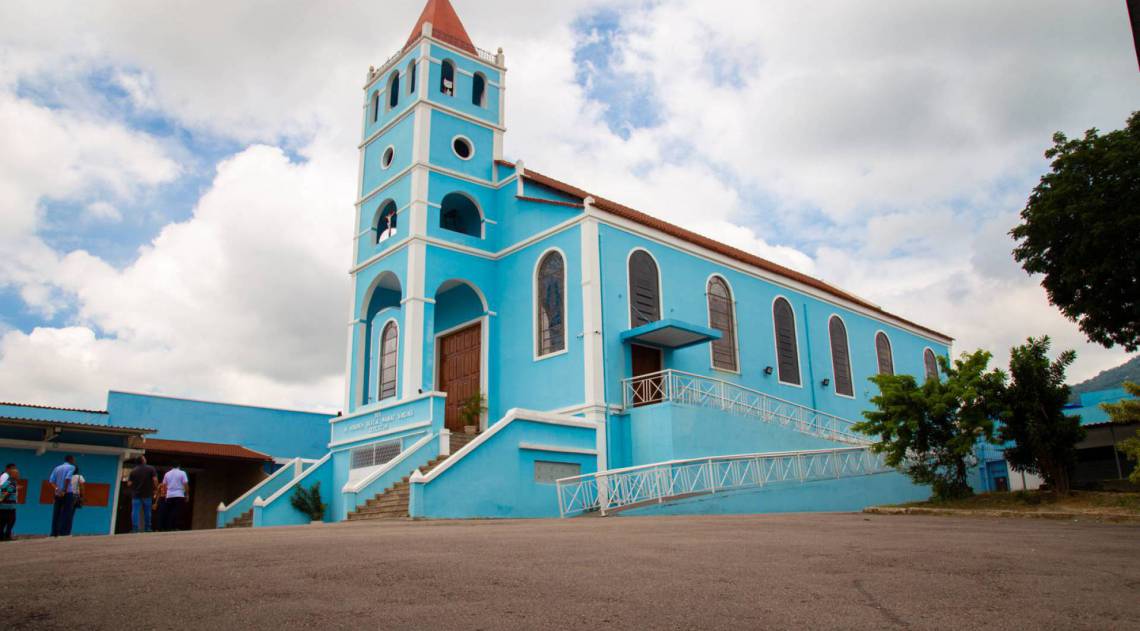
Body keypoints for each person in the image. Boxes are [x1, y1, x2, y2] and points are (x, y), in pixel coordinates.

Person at [126, 456, 159, 533]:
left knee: (135, 511)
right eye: (144, 458)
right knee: (147, 511)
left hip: (136, 495)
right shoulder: (151, 469)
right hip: (147, 494)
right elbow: (155, 479)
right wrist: (156, 488)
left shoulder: (133, 471)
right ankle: (148, 528)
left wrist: (135, 486)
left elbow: (129, 484)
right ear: (143, 460)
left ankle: (135, 528)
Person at [49, 455, 77, 537]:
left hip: (57, 493)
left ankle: (54, 532)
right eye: (74, 460)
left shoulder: (57, 468)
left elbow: (51, 481)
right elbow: (68, 478)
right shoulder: (71, 467)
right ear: (71, 460)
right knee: (67, 513)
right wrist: (64, 490)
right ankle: (64, 532)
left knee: (56, 512)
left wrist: (57, 489)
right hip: (67, 493)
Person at [161, 464, 189, 531]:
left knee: (169, 511)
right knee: (178, 511)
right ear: (179, 466)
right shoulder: (182, 473)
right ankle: (176, 526)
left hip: (169, 495)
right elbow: (185, 484)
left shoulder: (167, 474)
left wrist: (165, 494)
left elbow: (164, 485)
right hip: (179, 495)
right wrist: (187, 494)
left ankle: (168, 526)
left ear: (171, 466)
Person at [0, 464, 19, 541]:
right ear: (13, 474)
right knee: (10, 521)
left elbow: (2, 489)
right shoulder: (12, 482)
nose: (18, 475)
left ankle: (2, 536)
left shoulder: (8, 481)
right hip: (9, 507)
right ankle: (7, 536)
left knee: (2, 523)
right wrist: (1, 499)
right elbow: (6, 492)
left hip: (3, 507)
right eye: (17, 474)